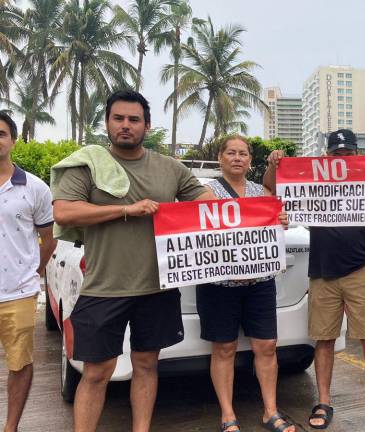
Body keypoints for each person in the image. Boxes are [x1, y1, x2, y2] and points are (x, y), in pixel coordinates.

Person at [52, 90, 216, 432]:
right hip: (103, 287)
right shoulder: (88, 163)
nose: (126, 126)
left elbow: (207, 202)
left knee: (146, 365)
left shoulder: (170, 168)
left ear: (147, 125)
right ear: (108, 123)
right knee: (97, 373)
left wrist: (257, 217)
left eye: (134, 120)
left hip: (156, 287)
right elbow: (65, 210)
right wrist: (125, 209)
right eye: (119, 119)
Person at [264, 129, 365, 429]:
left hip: (361, 268)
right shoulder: (314, 179)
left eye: (347, 153)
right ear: (327, 155)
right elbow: (274, 193)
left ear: (356, 154)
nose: (342, 157)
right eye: (336, 153)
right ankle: (323, 401)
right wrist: (275, 165)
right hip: (322, 271)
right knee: (323, 340)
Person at [196, 136, 293, 432]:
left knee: (267, 345)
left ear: (250, 159)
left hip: (259, 283)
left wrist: (281, 221)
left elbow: (274, 220)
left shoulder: (260, 192)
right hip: (219, 287)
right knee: (223, 348)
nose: (237, 158)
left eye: (242, 153)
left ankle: (271, 411)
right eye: (231, 153)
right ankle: (227, 414)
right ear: (220, 157)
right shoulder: (205, 192)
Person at [0, 112, 57, 432]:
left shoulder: (34, 188)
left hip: (17, 292)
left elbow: (49, 240)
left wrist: (31, 273)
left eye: (1, 133)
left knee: (19, 363)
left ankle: (11, 427)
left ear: (13, 140)